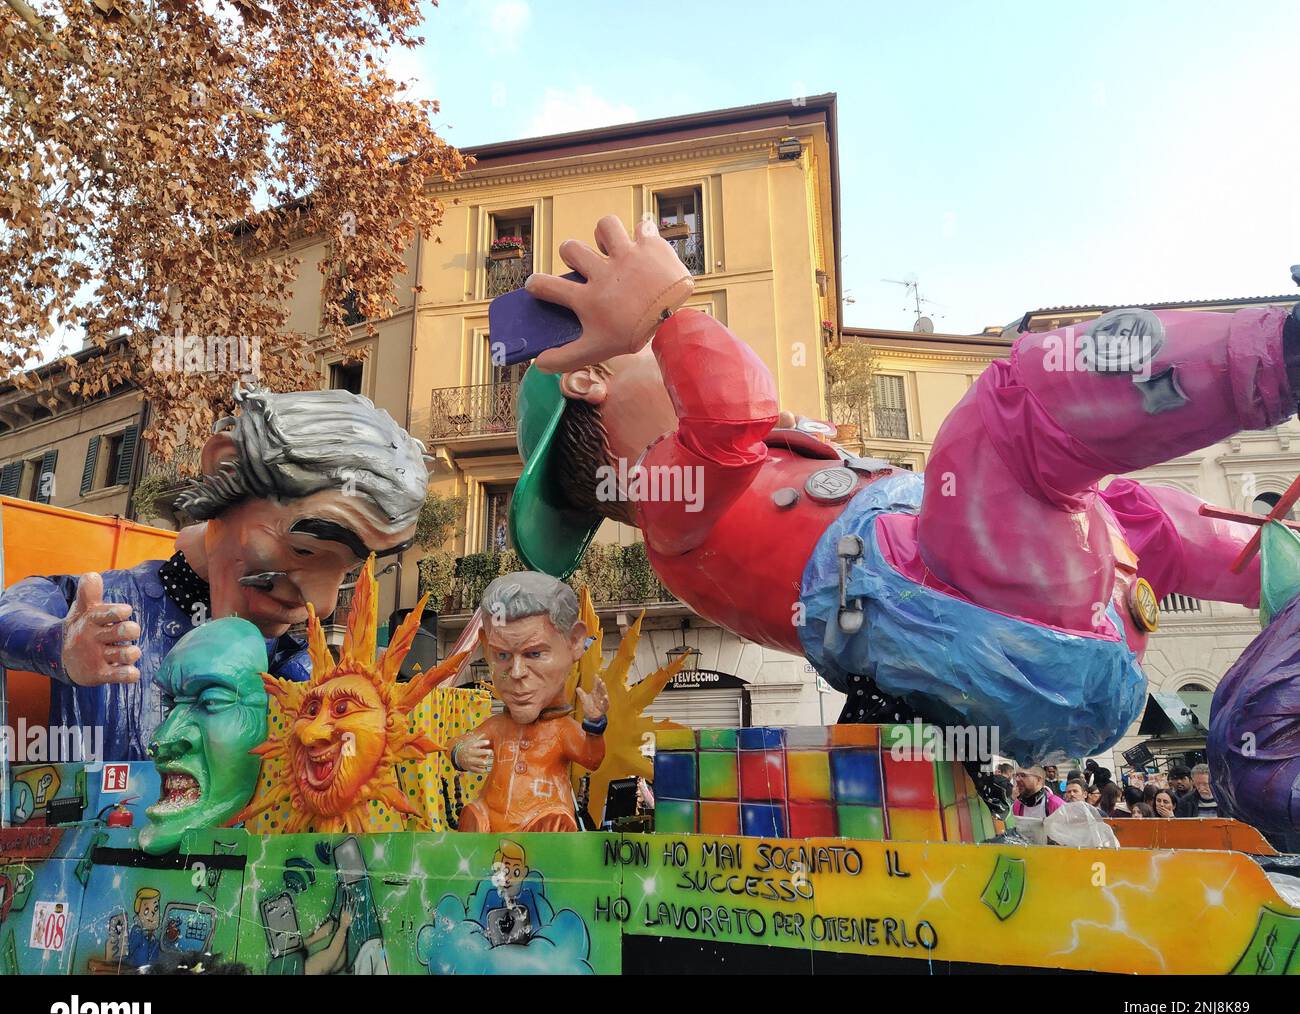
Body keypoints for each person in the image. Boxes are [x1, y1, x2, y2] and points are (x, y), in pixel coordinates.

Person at [507, 215, 1300, 767]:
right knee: (1021, 402)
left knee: (1125, 510)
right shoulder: (666, 500)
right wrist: (665, 311)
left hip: (1039, 622)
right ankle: (1283, 352)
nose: (662, 355)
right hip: (970, 618)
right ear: (591, 378)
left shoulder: (714, 482)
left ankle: (1274, 576)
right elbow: (731, 409)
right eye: (641, 352)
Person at [0, 387, 429, 760]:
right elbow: (9, 616)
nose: (322, 602)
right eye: (302, 548)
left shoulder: (293, 669)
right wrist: (59, 643)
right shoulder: (105, 604)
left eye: (347, 571)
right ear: (225, 466)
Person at [451, 572, 609, 832]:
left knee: (553, 826)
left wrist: (594, 724)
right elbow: (459, 741)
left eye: (534, 653)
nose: (516, 672)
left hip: (542, 828)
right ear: (485, 645)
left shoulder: (561, 731)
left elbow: (591, 759)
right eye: (501, 654)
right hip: (488, 829)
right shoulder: (498, 727)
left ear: (575, 642)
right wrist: (461, 752)